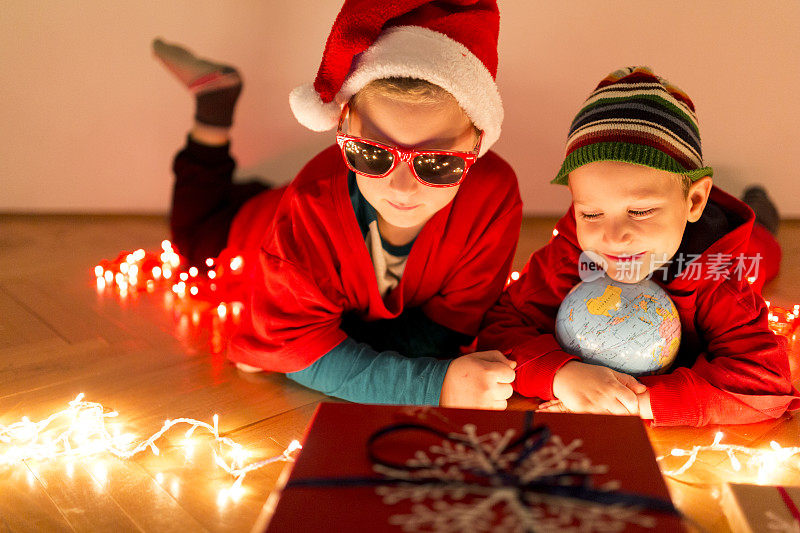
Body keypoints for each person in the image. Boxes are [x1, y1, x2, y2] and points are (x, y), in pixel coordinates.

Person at [154, 0, 522, 409]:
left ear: (478, 143)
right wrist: (433, 385)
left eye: (437, 164)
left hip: (309, 207)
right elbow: (301, 347)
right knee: (192, 238)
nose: (402, 189)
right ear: (343, 125)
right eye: (373, 155)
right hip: (246, 230)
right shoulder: (311, 209)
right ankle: (214, 104)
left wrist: (324, 348)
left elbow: (445, 330)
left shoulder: (493, 196)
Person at [478, 66, 799, 426]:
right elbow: (500, 326)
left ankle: (758, 204)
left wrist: (636, 404)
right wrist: (561, 375)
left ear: (694, 201)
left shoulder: (721, 276)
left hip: (742, 247)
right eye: (591, 213)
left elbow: (766, 386)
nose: (614, 237)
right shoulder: (571, 251)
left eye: (640, 210)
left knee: (765, 244)